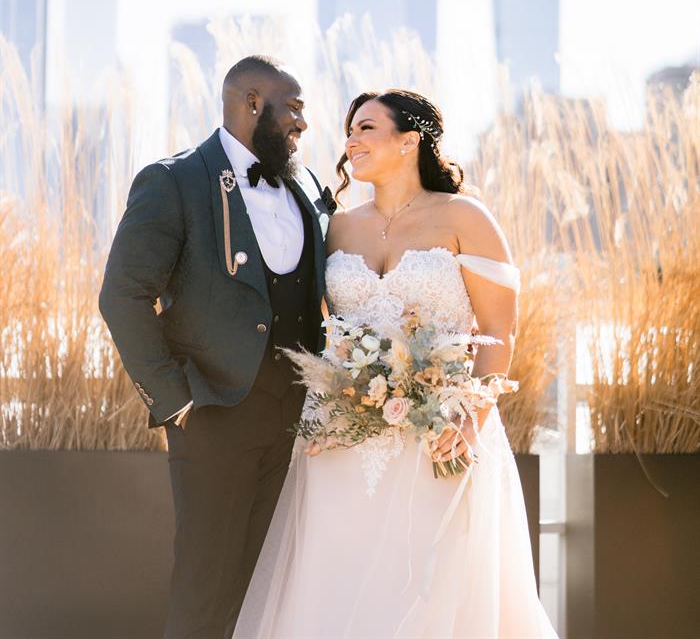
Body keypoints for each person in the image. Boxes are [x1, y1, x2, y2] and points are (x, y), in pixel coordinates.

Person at [233, 88, 558, 639]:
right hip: (342, 439)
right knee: (336, 580)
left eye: (366, 128)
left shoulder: (464, 217)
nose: (350, 141)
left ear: (409, 141)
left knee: (428, 586)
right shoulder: (337, 226)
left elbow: (498, 330)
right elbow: (320, 329)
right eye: (350, 130)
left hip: (441, 434)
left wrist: (470, 418)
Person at [99, 56, 332, 639]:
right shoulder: (173, 180)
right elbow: (123, 295)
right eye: (295, 108)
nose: (303, 124)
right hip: (213, 417)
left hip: (299, 424)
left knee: (276, 586)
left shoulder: (305, 183)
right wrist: (173, 401)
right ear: (253, 103)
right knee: (208, 592)